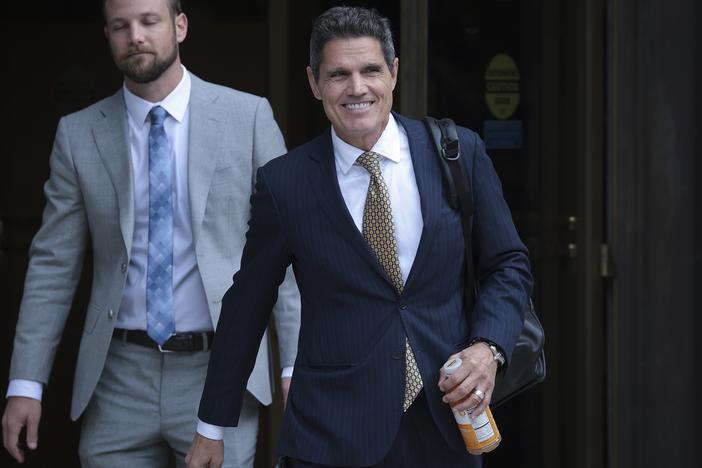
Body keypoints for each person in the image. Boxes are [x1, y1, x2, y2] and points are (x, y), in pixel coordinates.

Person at [187, 6, 531, 468]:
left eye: (370, 70)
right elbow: (247, 304)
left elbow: (507, 263)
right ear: (314, 83)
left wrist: (489, 348)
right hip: (331, 434)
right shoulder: (285, 184)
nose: (357, 88)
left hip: (445, 424)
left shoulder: (457, 154)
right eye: (338, 74)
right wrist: (211, 427)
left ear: (393, 73)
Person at [1, 0, 300, 466]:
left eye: (148, 21)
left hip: (221, 368)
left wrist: (293, 364)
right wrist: (25, 383)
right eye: (120, 26)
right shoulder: (78, 135)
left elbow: (286, 250)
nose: (135, 35)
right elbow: (52, 266)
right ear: (107, 36)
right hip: (117, 375)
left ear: (180, 25)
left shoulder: (249, 117)